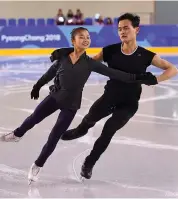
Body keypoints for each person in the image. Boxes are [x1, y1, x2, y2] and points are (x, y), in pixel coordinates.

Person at [0, 27, 157, 185]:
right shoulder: (62, 58)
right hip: (54, 97)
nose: (86, 39)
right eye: (81, 37)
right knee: (33, 118)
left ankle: (37, 165)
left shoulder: (91, 63)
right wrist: (37, 85)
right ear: (73, 41)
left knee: (54, 137)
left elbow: (115, 74)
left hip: (71, 105)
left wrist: (139, 77)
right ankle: (17, 135)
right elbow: (50, 73)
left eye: (88, 37)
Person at [61, 13, 178, 179]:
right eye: (120, 29)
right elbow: (90, 64)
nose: (122, 32)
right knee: (89, 119)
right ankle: (79, 131)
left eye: (126, 28)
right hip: (109, 97)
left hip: (129, 104)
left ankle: (89, 162)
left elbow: (172, 69)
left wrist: (155, 80)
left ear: (136, 30)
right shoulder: (109, 51)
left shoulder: (146, 55)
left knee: (108, 130)